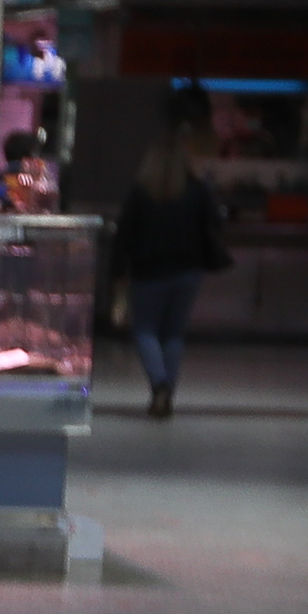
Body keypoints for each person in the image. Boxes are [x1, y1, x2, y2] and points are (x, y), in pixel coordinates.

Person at [109, 119, 228, 420]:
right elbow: (216, 221)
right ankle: (166, 394)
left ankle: (159, 384)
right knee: (173, 334)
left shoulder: (141, 191)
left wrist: (118, 269)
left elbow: (124, 233)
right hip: (189, 270)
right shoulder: (197, 189)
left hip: (148, 271)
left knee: (145, 329)